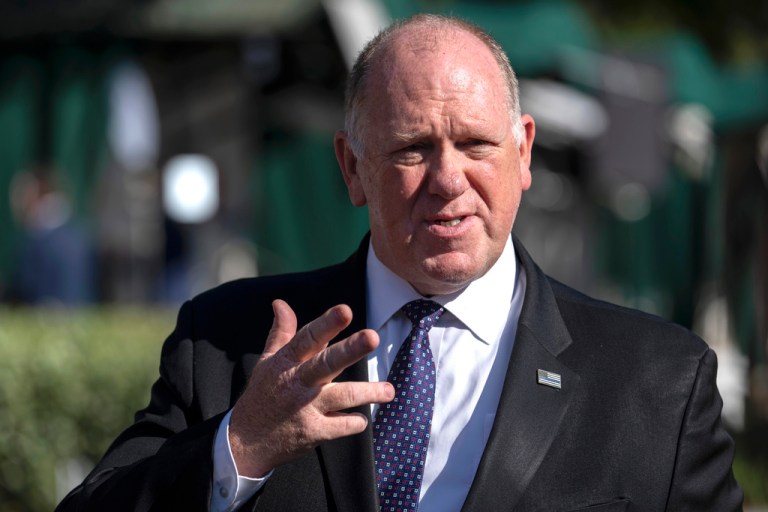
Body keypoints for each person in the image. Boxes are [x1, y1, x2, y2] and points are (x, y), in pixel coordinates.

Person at [56, 13, 743, 512]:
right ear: (352, 169)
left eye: (476, 145)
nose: (448, 180)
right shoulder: (227, 343)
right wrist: (237, 447)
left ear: (524, 154)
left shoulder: (659, 382)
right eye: (412, 149)